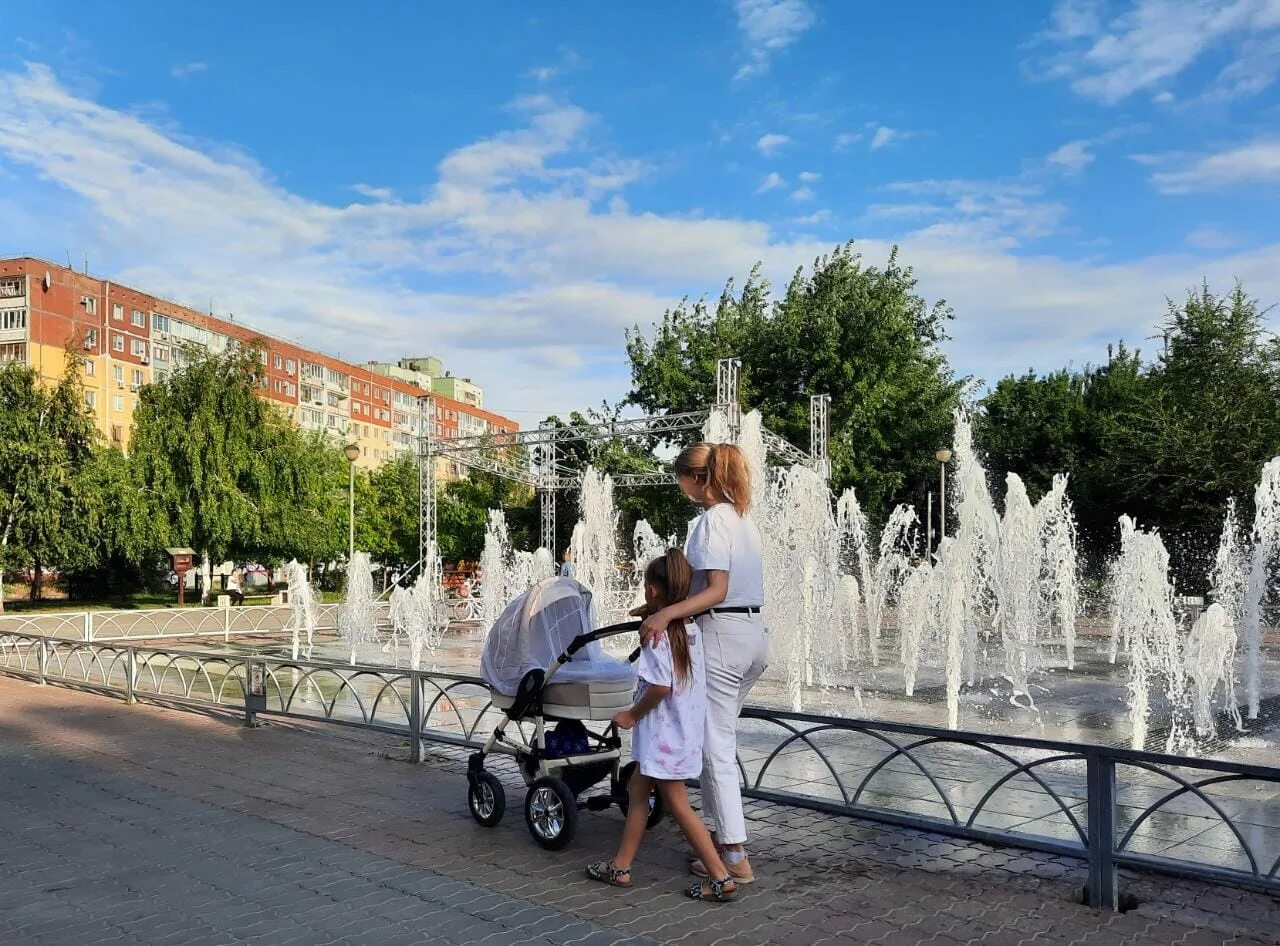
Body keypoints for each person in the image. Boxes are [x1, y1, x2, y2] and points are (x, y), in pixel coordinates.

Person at [639, 442, 766, 885]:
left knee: (714, 747)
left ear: (697, 479)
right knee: (720, 740)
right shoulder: (740, 518)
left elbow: (717, 590)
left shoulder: (711, 521)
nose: (680, 487)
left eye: (680, 478)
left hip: (723, 635)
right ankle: (720, 837)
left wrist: (665, 613)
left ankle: (733, 855)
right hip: (752, 637)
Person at [586, 550, 737, 902]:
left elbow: (660, 688)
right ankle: (621, 866)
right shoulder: (688, 628)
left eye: (645, 585)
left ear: (653, 590)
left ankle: (720, 877)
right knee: (638, 790)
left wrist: (630, 715)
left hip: (663, 737)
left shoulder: (657, 636)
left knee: (678, 804)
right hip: (680, 733)